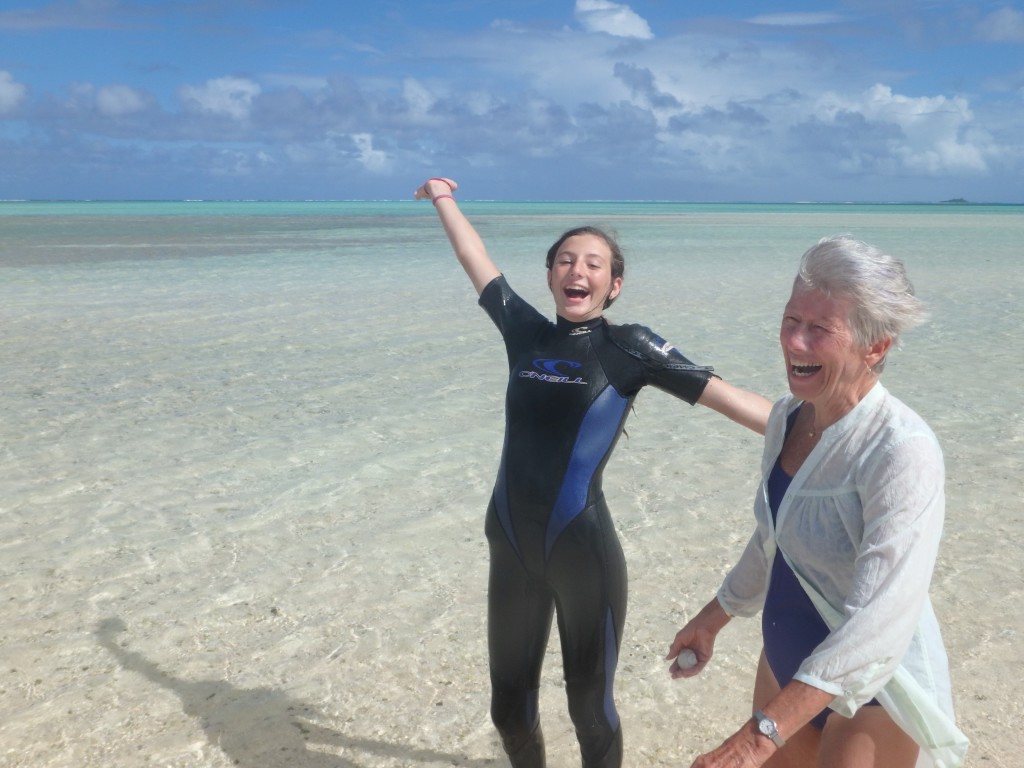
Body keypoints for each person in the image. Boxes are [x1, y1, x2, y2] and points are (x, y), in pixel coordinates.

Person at [415, 177, 771, 768]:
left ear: (614, 284)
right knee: (509, 710)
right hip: (510, 543)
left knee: (590, 710)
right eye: (565, 260)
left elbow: (731, 400)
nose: (577, 270)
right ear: (551, 274)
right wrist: (443, 198)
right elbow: (473, 258)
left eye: (594, 263)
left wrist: (830, 430)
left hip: (582, 550)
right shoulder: (524, 332)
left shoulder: (629, 348)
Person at [666, 236, 969, 768]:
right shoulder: (787, 418)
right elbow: (773, 540)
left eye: (819, 330)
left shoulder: (900, 449)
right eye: (790, 320)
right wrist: (715, 616)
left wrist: (755, 739)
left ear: (876, 347)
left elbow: (879, 621)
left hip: (874, 693)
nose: (795, 343)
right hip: (785, 669)